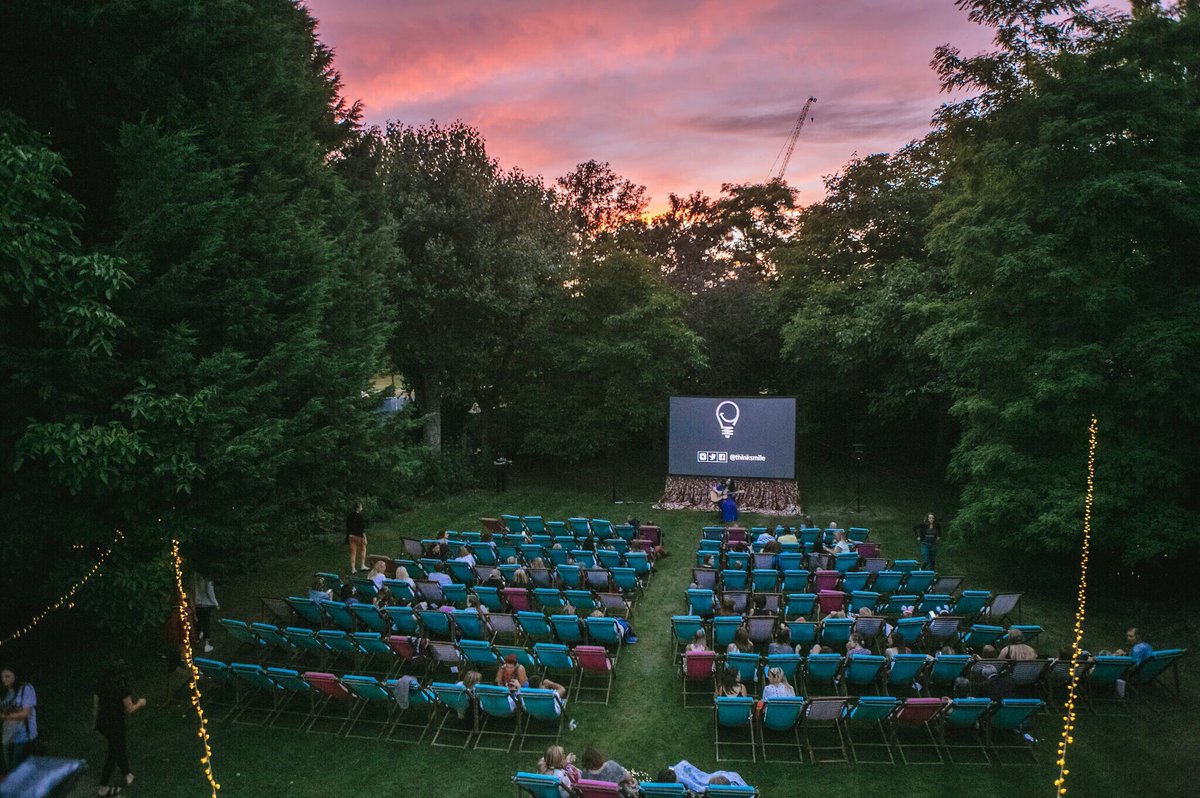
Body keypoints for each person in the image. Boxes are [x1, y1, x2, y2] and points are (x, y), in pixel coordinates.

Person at [94, 661, 146, 796]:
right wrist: (140, 703)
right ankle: (103, 787)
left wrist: (95, 722)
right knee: (114, 753)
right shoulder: (122, 688)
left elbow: (96, 705)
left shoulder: (100, 685)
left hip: (103, 723)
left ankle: (128, 774)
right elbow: (130, 708)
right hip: (115, 725)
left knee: (118, 748)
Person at [1, 666, 37, 774]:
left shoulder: (26, 688)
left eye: (7, 676)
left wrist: (5, 716)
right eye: (2, 677)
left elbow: (26, 713)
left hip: (22, 734)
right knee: (9, 767)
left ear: (16, 676)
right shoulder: (6, 691)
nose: (4, 679)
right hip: (7, 734)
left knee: (17, 767)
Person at [190, 571, 219, 654]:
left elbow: (192, 590)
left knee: (200, 621)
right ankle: (206, 644)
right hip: (206, 604)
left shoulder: (194, 576)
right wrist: (216, 603)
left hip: (197, 603)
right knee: (206, 623)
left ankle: (199, 636)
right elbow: (210, 591)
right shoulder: (207, 577)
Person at [345, 501, 367, 573]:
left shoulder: (350, 516)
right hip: (358, 536)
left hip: (351, 536)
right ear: (358, 508)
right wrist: (364, 537)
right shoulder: (360, 516)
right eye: (361, 506)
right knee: (363, 549)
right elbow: (362, 528)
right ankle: (362, 565)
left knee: (353, 552)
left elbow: (347, 525)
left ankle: (353, 568)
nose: (362, 508)